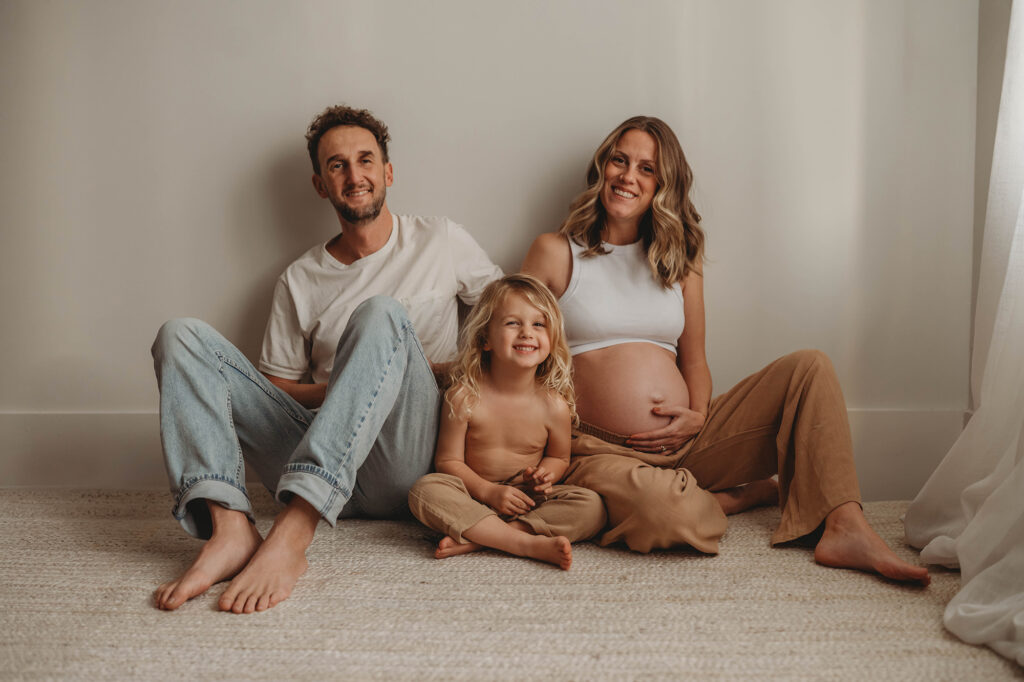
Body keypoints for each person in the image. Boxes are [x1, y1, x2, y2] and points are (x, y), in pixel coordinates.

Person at [522, 115, 931, 584]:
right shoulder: (556, 252)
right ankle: (734, 498)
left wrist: (697, 415)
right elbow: (513, 348)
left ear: (664, 186)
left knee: (810, 368)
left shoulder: (680, 258)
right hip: (598, 449)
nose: (628, 176)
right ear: (602, 168)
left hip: (690, 440)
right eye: (620, 160)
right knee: (667, 514)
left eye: (647, 168)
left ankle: (844, 525)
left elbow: (693, 359)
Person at [151, 105, 502, 613]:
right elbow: (275, 388)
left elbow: (513, 317)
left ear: (388, 172)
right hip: (309, 450)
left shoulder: (440, 239)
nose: (354, 175)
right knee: (180, 335)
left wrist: (420, 370)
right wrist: (348, 384)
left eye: (365, 160)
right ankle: (229, 528)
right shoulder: (300, 279)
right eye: (337, 165)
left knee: (380, 314)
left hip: (402, 461)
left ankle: (296, 530)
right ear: (321, 184)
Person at [407, 274, 606, 570]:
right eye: (513, 323)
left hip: (526, 500)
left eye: (538, 324)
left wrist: (542, 478)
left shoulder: (554, 405)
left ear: (551, 339)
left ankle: (483, 538)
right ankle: (525, 543)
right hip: (472, 494)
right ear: (485, 339)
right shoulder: (463, 396)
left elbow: (559, 457)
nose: (527, 333)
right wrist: (489, 492)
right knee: (424, 490)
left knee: (592, 506)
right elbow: (448, 461)